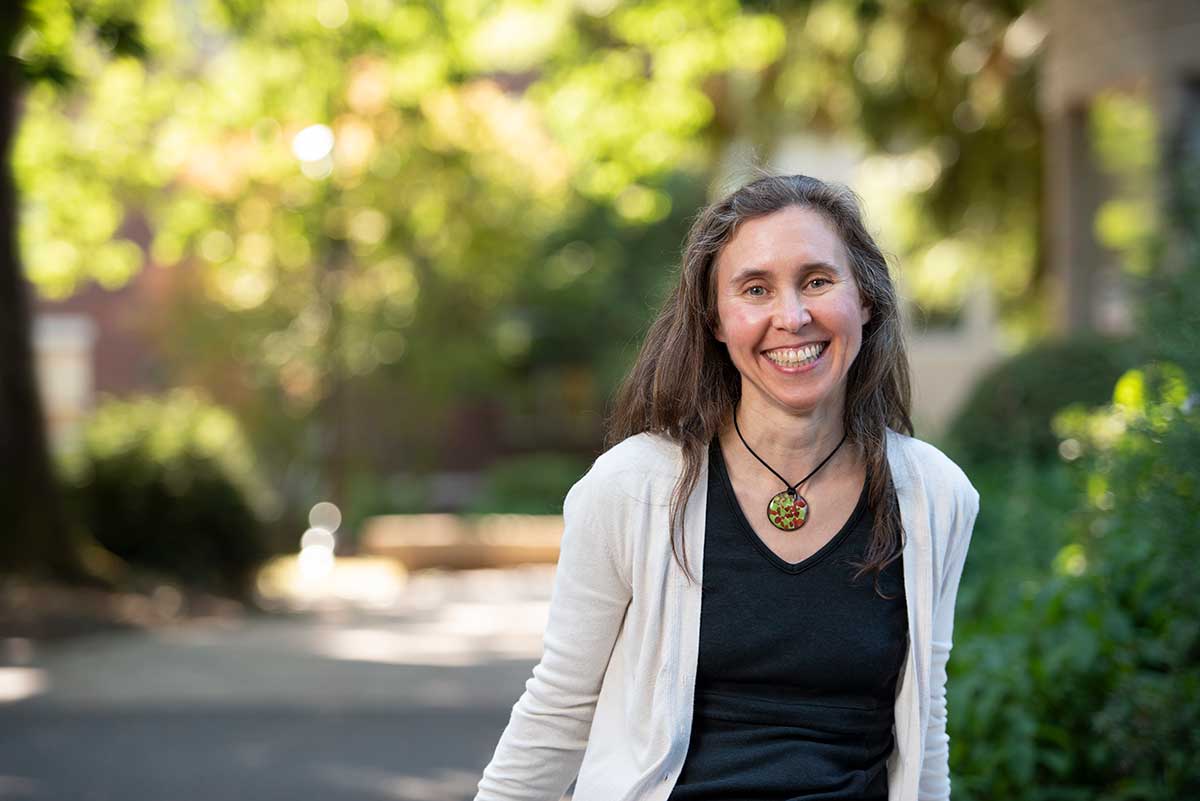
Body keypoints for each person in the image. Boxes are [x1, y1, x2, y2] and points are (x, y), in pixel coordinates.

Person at [474, 174, 980, 801]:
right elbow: (559, 707)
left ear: (867, 301)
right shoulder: (632, 489)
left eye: (818, 281)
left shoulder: (934, 496)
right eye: (756, 289)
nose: (792, 317)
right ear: (714, 320)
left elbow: (927, 721)